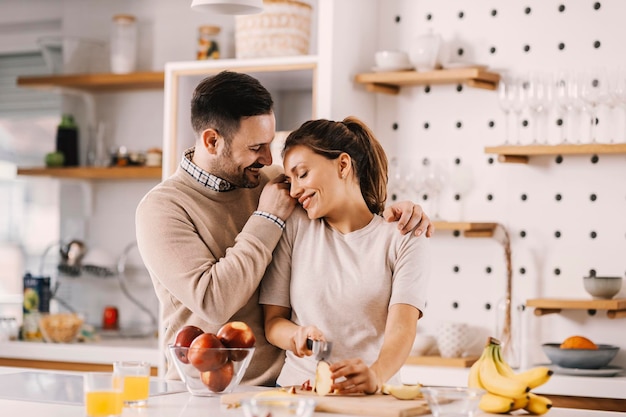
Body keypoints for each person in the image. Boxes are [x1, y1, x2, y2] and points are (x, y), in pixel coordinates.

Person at [135, 71, 433, 386]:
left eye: (270, 144)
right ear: (212, 140)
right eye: (256, 147)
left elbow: (340, 200)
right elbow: (213, 302)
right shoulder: (162, 209)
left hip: (281, 388)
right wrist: (267, 218)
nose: (267, 159)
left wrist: (397, 214)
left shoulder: (272, 180)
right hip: (204, 391)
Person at [260, 116, 430, 394]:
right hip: (297, 394)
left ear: (342, 165)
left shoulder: (404, 236)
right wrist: (296, 335)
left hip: (371, 396)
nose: (294, 190)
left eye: (302, 174)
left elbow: (402, 328)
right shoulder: (295, 226)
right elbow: (273, 323)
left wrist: (375, 376)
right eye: (289, 180)